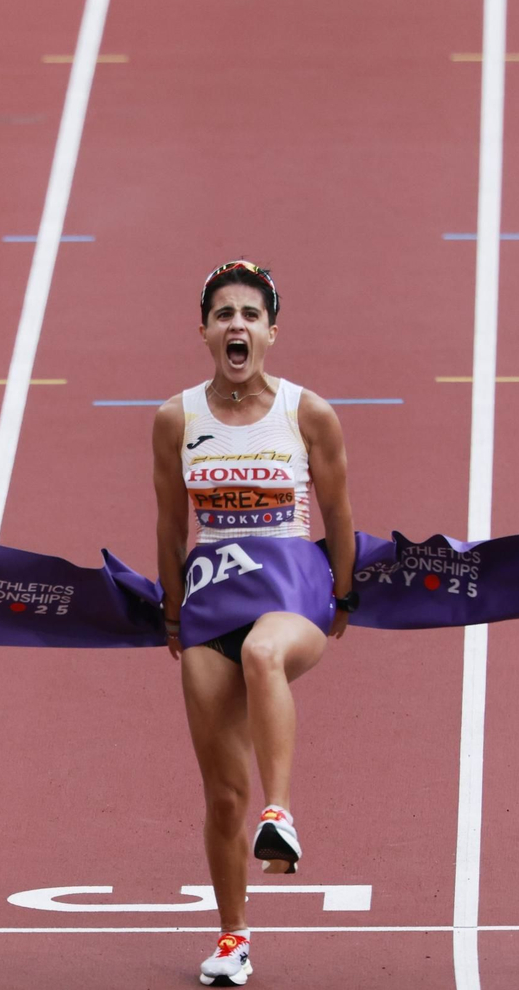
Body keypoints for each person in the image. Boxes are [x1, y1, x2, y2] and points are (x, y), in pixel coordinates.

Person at [152, 260, 357, 987]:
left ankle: (283, 813)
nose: (236, 324)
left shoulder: (307, 413)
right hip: (210, 606)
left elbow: (338, 511)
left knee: (267, 656)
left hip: (293, 594)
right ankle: (233, 938)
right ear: (205, 329)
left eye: (250, 314)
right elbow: (170, 525)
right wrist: (173, 615)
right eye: (223, 313)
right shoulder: (177, 418)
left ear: (271, 331)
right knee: (219, 795)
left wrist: (343, 596)